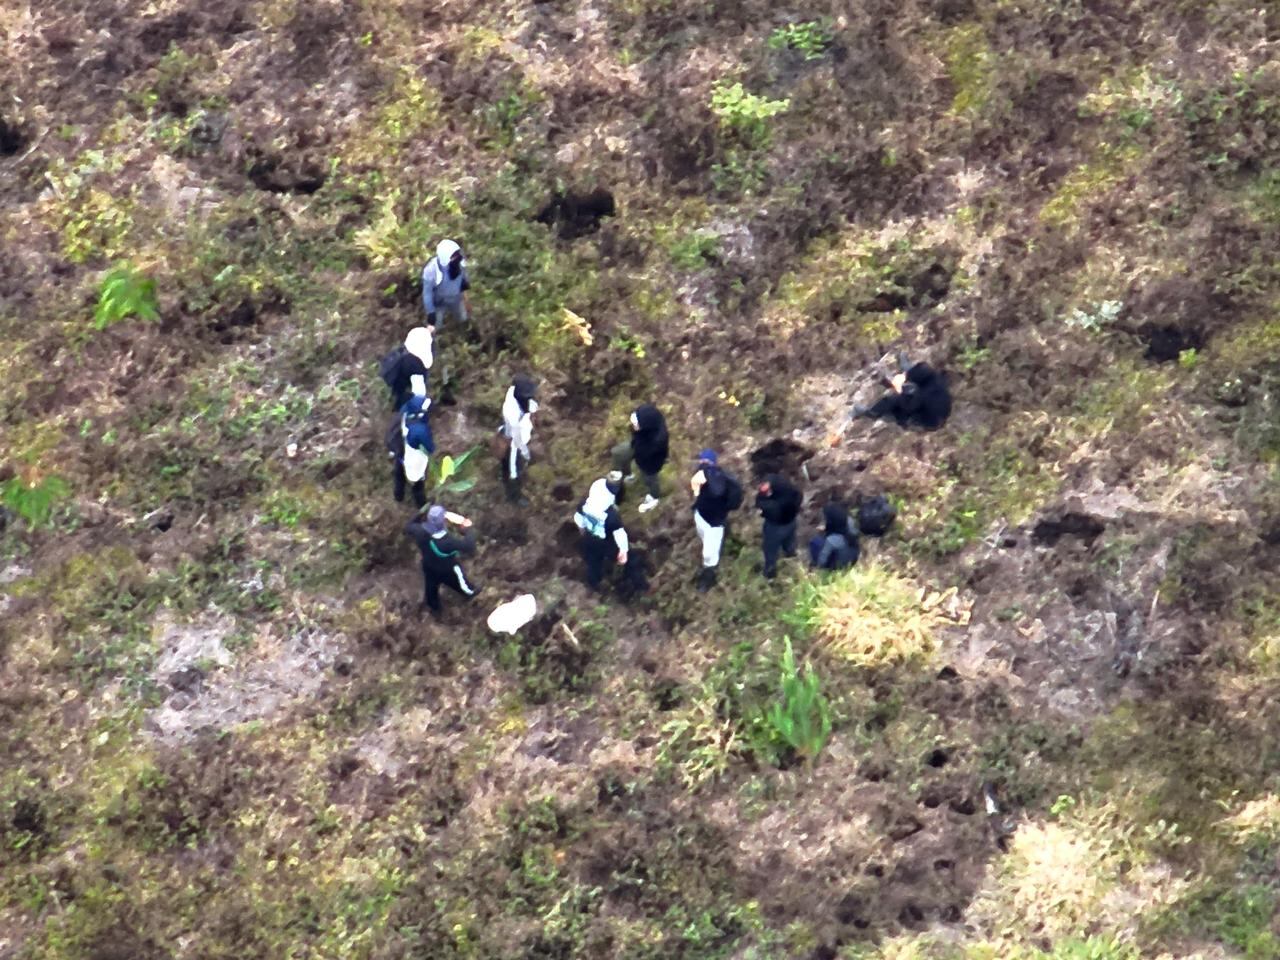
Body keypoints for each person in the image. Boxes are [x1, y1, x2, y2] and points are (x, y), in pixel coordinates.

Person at [404, 504, 479, 617]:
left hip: (429, 568)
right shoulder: (448, 542)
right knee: (466, 589)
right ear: (444, 522)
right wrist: (467, 528)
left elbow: (408, 525)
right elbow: (469, 546)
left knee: (431, 592)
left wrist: (422, 511)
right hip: (448, 570)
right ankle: (472, 595)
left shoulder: (420, 532)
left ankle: (435, 612)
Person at [690, 449, 743, 592]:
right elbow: (697, 490)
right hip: (702, 515)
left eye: (705, 461)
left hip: (714, 523)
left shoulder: (718, 478)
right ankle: (727, 539)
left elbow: (717, 491)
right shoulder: (702, 474)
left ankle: (709, 576)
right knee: (705, 539)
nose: (702, 463)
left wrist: (706, 472)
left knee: (709, 555)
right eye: (701, 460)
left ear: (712, 463)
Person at [853, 353, 951, 430]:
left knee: (894, 400)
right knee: (911, 383)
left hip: (923, 419)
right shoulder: (935, 378)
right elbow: (924, 369)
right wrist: (905, 376)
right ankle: (907, 369)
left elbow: (909, 405)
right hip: (926, 402)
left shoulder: (927, 397)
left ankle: (871, 413)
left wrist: (899, 390)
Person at [573, 474, 630, 591]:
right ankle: (610, 573)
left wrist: (582, 529)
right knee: (609, 553)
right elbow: (620, 534)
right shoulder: (611, 516)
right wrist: (623, 550)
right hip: (604, 541)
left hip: (589, 536)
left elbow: (578, 519)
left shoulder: (583, 505)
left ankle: (593, 581)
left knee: (592, 561)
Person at [611, 403, 669, 513]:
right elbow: (638, 438)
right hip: (638, 446)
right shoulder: (647, 424)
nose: (634, 426)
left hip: (650, 463)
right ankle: (628, 475)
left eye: (636, 424)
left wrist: (639, 454)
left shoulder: (659, 440)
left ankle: (654, 497)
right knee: (618, 453)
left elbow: (648, 453)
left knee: (650, 479)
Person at [386, 395, 434, 508]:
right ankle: (421, 504)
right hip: (412, 457)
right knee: (417, 483)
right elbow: (430, 448)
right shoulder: (419, 430)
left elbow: (390, 433)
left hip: (399, 450)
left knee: (399, 473)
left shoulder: (403, 413)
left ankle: (398, 496)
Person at [755, 474, 802, 579]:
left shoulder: (773, 506)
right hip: (791, 521)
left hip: (775, 527)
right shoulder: (788, 488)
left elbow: (761, 506)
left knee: (770, 549)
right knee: (790, 542)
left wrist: (763, 511)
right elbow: (799, 495)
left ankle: (770, 573)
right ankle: (791, 556)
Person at [501, 376, 538, 504]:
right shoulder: (511, 412)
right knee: (513, 469)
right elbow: (517, 439)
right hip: (514, 441)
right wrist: (525, 452)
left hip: (524, 428)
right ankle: (513, 495)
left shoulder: (516, 391)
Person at [383, 326, 435, 410]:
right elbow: (428, 360)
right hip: (417, 368)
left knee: (399, 389)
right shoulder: (430, 340)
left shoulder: (416, 331)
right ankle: (409, 407)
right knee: (417, 393)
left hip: (404, 364)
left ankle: (396, 405)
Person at [422, 239, 471, 328]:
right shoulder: (431, 270)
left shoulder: (460, 262)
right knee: (436, 325)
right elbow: (427, 293)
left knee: (463, 318)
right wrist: (431, 312)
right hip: (439, 302)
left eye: (457, 254)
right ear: (445, 258)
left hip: (456, 298)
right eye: (453, 256)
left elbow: (464, 281)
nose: (456, 258)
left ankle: (463, 328)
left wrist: (466, 299)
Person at [809, 502, 861, 570]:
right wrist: (827, 528)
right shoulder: (849, 523)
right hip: (852, 560)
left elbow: (822, 561)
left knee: (815, 542)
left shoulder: (832, 540)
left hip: (838, 566)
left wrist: (818, 566)